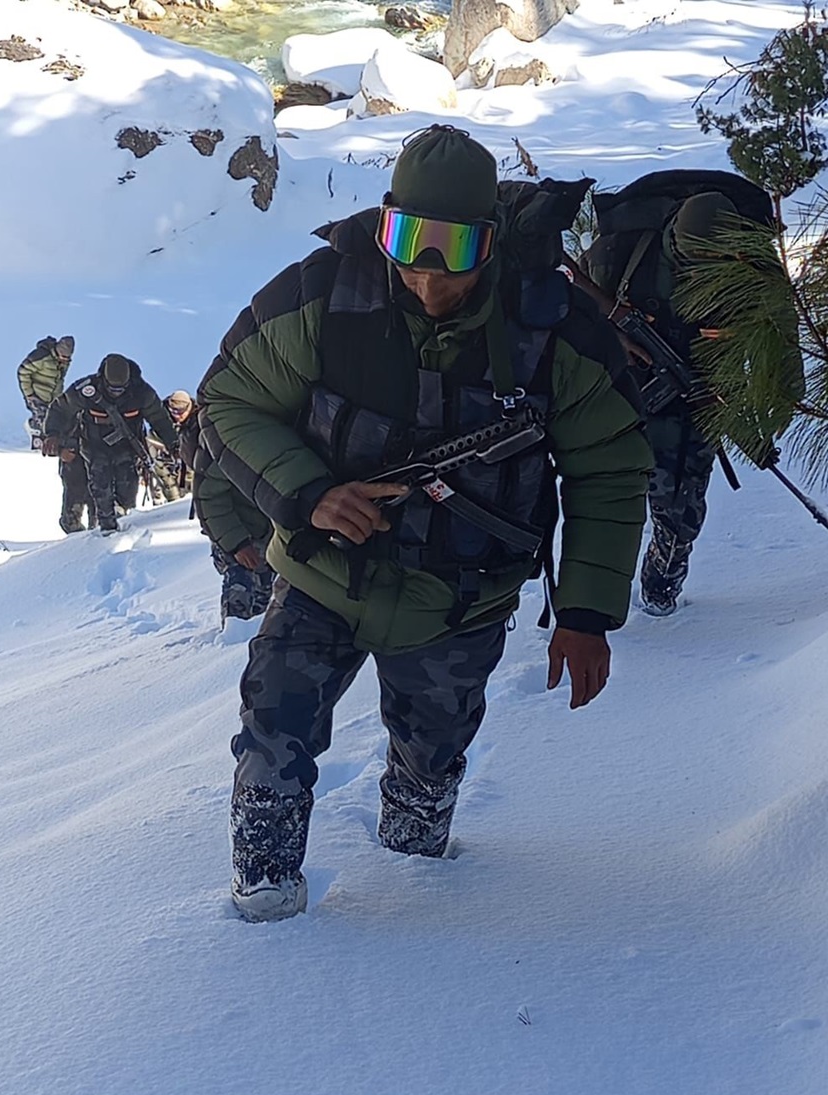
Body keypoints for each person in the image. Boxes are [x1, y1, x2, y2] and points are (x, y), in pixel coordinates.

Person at [197, 124, 653, 923]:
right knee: (272, 734)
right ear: (384, 221)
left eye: (454, 248)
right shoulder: (319, 295)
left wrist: (585, 614)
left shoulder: (551, 330)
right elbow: (230, 400)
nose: (428, 275)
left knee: (431, 758)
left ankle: (418, 862)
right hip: (321, 578)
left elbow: (609, 466)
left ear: (494, 240)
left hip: (459, 602)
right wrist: (308, 494)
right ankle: (262, 905)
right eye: (408, 240)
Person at [579, 177, 803, 615]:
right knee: (603, 492)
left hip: (704, 388)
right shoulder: (618, 254)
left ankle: (662, 578)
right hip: (621, 389)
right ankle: (586, 590)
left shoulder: (751, 268)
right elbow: (568, 302)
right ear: (672, 240)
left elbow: (784, 336)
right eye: (693, 261)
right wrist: (613, 334)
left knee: (679, 504)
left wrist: (780, 396)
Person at [43, 353, 178, 534]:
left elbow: (159, 419)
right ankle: (106, 530)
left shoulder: (142, 393)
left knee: (127, 489)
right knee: (100, 486)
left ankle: (123, 519)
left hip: (127, 448)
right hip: (94, 446)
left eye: (120, 389)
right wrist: (52, 434)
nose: (116, 392)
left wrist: (174, 444)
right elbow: (60, 408)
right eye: (112, 388)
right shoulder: (86, 390)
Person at [179, 400, 273, 626]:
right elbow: (209, 496)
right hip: (240, 535)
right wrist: (237, 544)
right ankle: (231, 646)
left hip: (272, 534)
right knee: (242, 600)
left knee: (267, 602)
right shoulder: (230, 437)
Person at [16, 334, 95, 534]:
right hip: (39, 397)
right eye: (62, 357)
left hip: (54, 398)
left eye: (67, 359)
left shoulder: (63, 362)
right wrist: (30, 395)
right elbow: (22, 371)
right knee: (46, 424)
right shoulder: (40, 357)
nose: (64, 361)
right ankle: (40, 440)